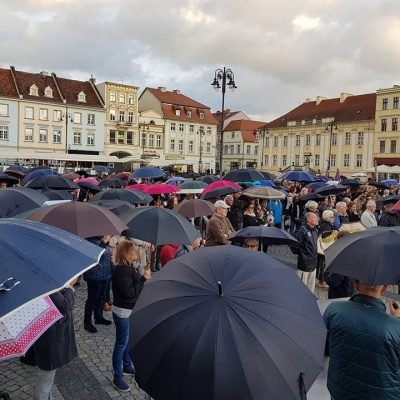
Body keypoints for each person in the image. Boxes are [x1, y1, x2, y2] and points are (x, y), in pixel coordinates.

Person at [323, 280, 400, 400]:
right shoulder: (396, 327)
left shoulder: (334, 310)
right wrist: (397, 320)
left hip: (340, 390)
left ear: (356, 284)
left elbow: (326, 348)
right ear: (384, 288)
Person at [111, 240, 151, 392]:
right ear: (125, 253)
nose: (136, 253)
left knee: (128, 341)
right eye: (134, 251)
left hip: (129, 310)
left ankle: (127, 366)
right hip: (123, 312)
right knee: (121, 344)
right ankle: (117, 376)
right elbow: (129, 293)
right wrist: (143, 279)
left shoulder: (129, 267)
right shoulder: (122, 270)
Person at [33, 279, 78, 400]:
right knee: (45, 379)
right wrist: (69, 287)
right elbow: (64, 304)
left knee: (47, 378)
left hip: (48, 334)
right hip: (49, 338)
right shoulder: (44, 283)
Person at [83, 236, 113, 333]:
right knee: (92, 299)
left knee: (101, 297)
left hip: (104, 274)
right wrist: (104, 244)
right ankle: (87, 323)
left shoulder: (101, 241)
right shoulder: (89, 242)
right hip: (94, 275)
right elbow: (95, 255)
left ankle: (98, 317)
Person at [291, 212, 319, 293]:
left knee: (311, 288)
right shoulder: (302, 231)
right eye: (315, 217)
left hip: (313, 265)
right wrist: (302, 254)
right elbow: (294, 245)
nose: (317, 219)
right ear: (309, 220)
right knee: (301, 288)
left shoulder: (315, 230)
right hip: (304, 265)